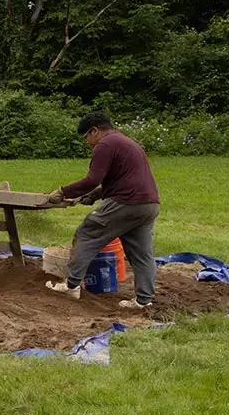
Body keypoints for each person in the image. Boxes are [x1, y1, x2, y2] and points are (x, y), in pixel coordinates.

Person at [45, 111, 160, 309]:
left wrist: (63, 191)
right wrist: (96, 195)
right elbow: (121, 178)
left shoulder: (105, 145)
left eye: (86, 137)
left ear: (94, 131)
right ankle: (144, 300)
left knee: (87, 233)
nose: (88, 142)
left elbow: (92, 179)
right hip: (148, 204)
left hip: (126, 202)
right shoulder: (126, 142)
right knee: (142, 254)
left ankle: (71, 286)